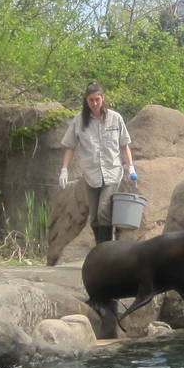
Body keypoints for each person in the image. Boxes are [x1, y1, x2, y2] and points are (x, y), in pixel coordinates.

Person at [59, 82, 137, 245]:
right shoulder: (79, 121)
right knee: (94, 217)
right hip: (91, 174)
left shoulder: (115, 118)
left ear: (102, 98)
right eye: (91, 100)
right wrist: (64, 169)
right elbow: (70, 146)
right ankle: (100, 248)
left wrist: (130, 167)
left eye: (97, 99)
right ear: (86, 101)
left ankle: (106, 251)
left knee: (103, 211)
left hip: (112, 171)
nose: (94, 103)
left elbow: (124, 145)